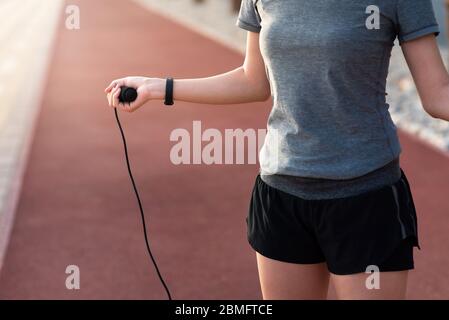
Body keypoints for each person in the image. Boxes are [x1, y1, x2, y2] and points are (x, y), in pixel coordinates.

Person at [105, 0, 449, 299]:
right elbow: (252, 81)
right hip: (281, 196)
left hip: (366, 200)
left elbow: (438, 95)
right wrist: (156, 87)